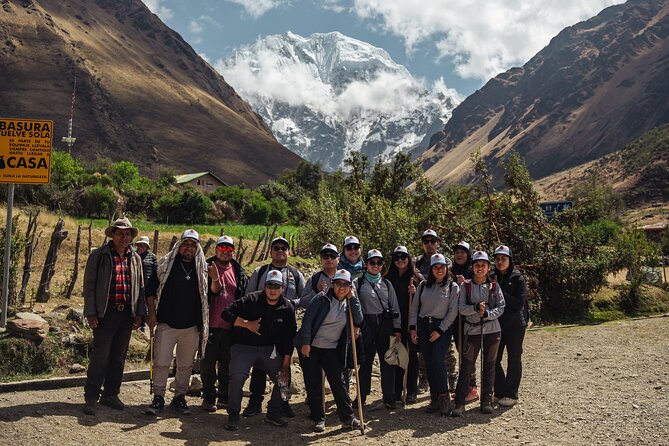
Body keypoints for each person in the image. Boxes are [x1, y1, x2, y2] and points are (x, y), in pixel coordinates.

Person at [82, 217, 146, 415]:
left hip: (126, 314)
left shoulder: (134, 258)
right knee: (100, 356)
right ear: (113, 235)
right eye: (120, 233)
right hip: (105, 313)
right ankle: (91, 396)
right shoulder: (100, 255)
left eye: (127, 234)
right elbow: (89, 285)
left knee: (118, 357)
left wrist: (140, 314)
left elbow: (140, 288)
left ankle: (111, 394)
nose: (124, 237)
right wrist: (91, 312)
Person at [222, 270, 297, 431]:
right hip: (243, 346)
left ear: (283, 288)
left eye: (277, 286)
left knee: (284, 379)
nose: (273, 289)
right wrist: (246, 324)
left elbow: (289, 338)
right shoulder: (251, 299)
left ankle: (274, 413)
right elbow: (226, 313)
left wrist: (285, 365)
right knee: (236, 377)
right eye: (270, 285)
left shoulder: (287, 308)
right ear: (264, 286)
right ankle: (233, 413)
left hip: (268, 349)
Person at [145, 229, 209, 416]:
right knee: (161, 362)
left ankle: (179, 397)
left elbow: (209, 295)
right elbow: (150, 292)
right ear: (179, 246)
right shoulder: (166, 265)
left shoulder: (202, 269)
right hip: (167, 323)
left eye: (193, 245)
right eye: (186, 244)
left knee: (185, 364)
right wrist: (152, 313)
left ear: (197, 248)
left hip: (191, 326)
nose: (189, 248)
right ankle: (158, 397)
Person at [243, 236, 306, 418]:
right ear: (270, 252)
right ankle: (255, 402)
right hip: (262, 326)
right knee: (260, 366)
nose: (280, 250)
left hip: (286, 328)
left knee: (285, 365)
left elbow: (304, 298)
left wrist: (289, 303)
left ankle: (283, 403)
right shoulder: (260, 272)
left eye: (283, 248)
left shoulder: (295, 274)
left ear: (289, 252)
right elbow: (250, 296)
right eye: (276, 247)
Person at [296, 269, 363, 432]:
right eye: (338, 284)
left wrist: (353, 299)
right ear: (333, 284)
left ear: (350, 287)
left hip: (332, 349)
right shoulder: (321, 299)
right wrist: (305, 342)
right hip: (312, 347)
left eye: (346, 285)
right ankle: (318, 418)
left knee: (339, 383)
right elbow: (307, 321)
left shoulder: (349, 302)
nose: (341, 288)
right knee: (313, 383)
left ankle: (348, 418)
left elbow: (359, 319)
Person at [452, 251, 505, 416]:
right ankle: (460, 403)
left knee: (489, 365)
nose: (480, 268)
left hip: (492, 330)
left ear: (489, 267)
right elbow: (460, 308)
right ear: (472, 267)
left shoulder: (495, 286)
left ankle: (486, 401)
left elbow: (501, 307)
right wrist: (474, 309)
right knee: (467, 366)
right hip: (472, 330)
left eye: (483, 265)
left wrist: (487, 313)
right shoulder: (465, 286)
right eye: (477, 265)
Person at [200, 235, 249, 412]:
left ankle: (224, 397)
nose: (225, 251)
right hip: (210, 324)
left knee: (227, 366)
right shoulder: (205, 267)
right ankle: (208, 397)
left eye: (229, 249)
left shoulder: (238, 271)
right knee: (208, 365)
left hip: (231, 327)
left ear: (233, 251)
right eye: (222, 248)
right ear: (216, 249)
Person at [409, 254, 459, 415]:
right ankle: (435, 397)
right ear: (431, 269)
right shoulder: (423, 285)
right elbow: (415, 308)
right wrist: (413, 327)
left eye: (442, 267)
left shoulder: (452, 287)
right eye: (436, 267)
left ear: (447, 268)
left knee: (438, 359)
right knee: (428, 361)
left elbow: (453, 312)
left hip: (441, 327)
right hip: (424, 325)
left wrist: (440, 330)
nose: (439, 270)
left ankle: (444, 397)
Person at [354, 249, 402, 409]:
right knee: (365, 361)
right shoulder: (358, 283)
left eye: (379, 262)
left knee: (390, 360)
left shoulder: (387, 283)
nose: (375, 265)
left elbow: (394, 306)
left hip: (386, 324)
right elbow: (354, 306)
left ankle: (389, 396)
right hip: (366, 324)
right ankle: (361, 396)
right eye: (372, 262)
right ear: (366, 264)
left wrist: (398, 329)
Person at [414, 230, 458, 393]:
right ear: (422, 244)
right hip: (423, 304)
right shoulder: (416, 261)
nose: (429, 244)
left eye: (433, 241)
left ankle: (451, 375)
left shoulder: (446, 261)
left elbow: (449, 279)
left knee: (447, 349)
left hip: (443, 306)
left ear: (438, 243)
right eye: (426, 241)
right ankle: (424, 378)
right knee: (424, 351)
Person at [385, 245, 423, 404]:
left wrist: (416, 293)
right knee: (397, 355)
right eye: (396, 257)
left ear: (409, 258)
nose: (400, 260)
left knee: (411, 356)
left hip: (411, 321)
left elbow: (425, 299)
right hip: (394, 322)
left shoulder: (417, 278)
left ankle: (411, 391)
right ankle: (397, 390)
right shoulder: (387, 278)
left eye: (403, 257)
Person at [492, 245, 528, 408]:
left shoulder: (517, 277)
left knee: (513, 358)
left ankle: (511, 393)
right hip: (496, 324)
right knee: (494, 359)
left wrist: (500, 294)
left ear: (510, 260)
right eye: (497, 259)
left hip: (515, 324)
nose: (500, 262)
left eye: (503, 259)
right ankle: (499, 391)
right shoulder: (492, 276)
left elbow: (519, 303)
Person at [451, 240, 478, 403]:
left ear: (469, 254)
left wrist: (465, 283)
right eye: (457, 252)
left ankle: (472, 387)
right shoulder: (451, 271)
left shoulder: (473, 271)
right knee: (462, 352)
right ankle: (464, 386)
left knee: (468, 353)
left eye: (463, 252)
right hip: (455, 318)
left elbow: (480, 287)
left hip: (469, 319)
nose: (459, 255)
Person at [299, 243, 339, 309]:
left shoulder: (344, 278)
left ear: (338, 259)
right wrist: (316, 291)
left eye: (333, 256)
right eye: (325, 256)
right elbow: (303, 303)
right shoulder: (314, 279)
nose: (329, 259)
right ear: (321, 260)